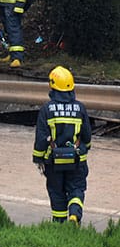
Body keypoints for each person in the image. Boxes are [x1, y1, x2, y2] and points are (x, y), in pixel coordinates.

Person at [33, 66, 92, 224]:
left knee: (57, 192)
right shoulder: (80, 108)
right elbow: (86, 135)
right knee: (76, 188)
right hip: (77, 159)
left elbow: (41, 138)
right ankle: (74, 214)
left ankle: (59, 224)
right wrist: (84, 148)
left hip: (54, 161)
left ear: (53, 86)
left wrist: (38, 159)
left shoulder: (47, 109)